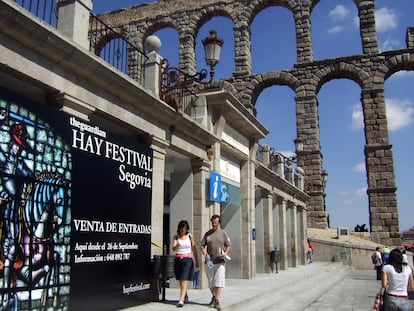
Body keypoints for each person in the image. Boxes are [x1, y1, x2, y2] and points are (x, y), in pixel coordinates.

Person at [200, 215, 231, 310]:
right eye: (213, 223)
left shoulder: (223, 233)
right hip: (210, 261)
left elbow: (228, 245)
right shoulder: (207, 234)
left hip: (220, 261)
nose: (214, 224)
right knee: (211, 281)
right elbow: (202, 245)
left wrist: (225, 253)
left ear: (219, 223)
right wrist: (204, 252)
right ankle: (214, 296)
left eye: (216, 223)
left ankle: (216, 299)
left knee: (219, 280)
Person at [172, 220, 199, 308]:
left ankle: (181, 300)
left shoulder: (190, 236)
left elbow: (194, 248)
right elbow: (173, 248)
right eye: (181, 229)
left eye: (185, 229)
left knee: (184, 279)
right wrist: (177, 245)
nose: (183, 231)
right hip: (178, 259)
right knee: (180, 279)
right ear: (179, 228)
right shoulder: (176, 237)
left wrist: (197, 260)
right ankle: (185, 295)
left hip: (187, 259)